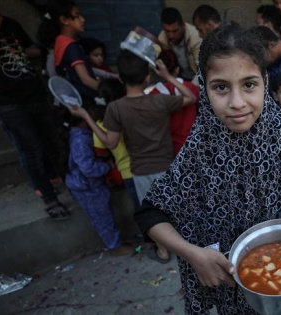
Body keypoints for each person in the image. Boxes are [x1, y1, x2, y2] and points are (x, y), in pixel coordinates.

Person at [134, 23, 281, 315]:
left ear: (264, 81)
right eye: (221, 87)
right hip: (228, 287)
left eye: (249, 85)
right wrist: (195, 256)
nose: (237, 103)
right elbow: (150, 212)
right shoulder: (200, 148)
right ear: (205, 89)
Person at [68, 49, 196, 263]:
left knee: (154, 215)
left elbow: (110, 142)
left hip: (141, 171)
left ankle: (163, 251)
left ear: (120, 78)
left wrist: (87, 119)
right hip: (168, 166)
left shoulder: (115, 108)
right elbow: (190, 97)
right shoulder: (160, 101)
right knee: (179, 208)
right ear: (147, 78)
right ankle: (191, 248)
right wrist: (167, 77)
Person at [0, 0, 69, 220]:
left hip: (34, 94)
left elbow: (25, 49)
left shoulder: (10, 23)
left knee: (53, 142)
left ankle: (69, 185)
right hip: (9, 103)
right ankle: (50, 199)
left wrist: (46, 47)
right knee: (31, 150)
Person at [65, 107, 135, 256]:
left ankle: (117, 242)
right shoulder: (80, 139)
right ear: (83, 120)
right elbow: (88, 168)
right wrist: (107, 166)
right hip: (87, 186)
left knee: (106, 216)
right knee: (102, 219)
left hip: (91, 185)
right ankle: (114, 247)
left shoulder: (82, 135)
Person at [92, 79, 141, 211]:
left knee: (145, 214)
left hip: (127, 173)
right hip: (150, 166)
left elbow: (100, 151)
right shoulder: (135, 111)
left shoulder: (100, 125)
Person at [40, 0, 99, 101]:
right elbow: (85, 79)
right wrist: (109, 91)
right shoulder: (71, 46)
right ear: (64, 20)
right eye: (77, 16)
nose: (83, 20)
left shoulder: (59, 42)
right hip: (86, 98)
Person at [149, 49, 200, 156]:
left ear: (158, 72)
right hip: (196, 144)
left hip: (171, 149)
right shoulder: (190, 88)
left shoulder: (154, 94)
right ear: (177, 69)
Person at [158, 7, 202, 82]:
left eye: (175, 31)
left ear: (183, 26)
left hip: (196, 79)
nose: (171, 35)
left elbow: (202, 71)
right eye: (167, 31)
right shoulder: (162, 38)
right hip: (178, 79)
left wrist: (190, 87)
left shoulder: (196, 38)